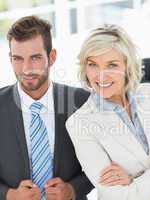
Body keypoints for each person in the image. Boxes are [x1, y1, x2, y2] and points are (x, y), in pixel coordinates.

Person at [65, 24, 150, 200]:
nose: (101, 75)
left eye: (112, 65)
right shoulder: (79, 123)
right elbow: (119, 195)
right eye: (93, 65)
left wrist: (134, 180)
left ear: (127, 65)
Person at [0, 16, 93, 200]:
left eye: (35, 58)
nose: (26, 69)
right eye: (18, 58)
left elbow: (104, 166)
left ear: (52, 57)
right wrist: (8, 195)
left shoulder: (82, 102)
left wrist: (73, 189)